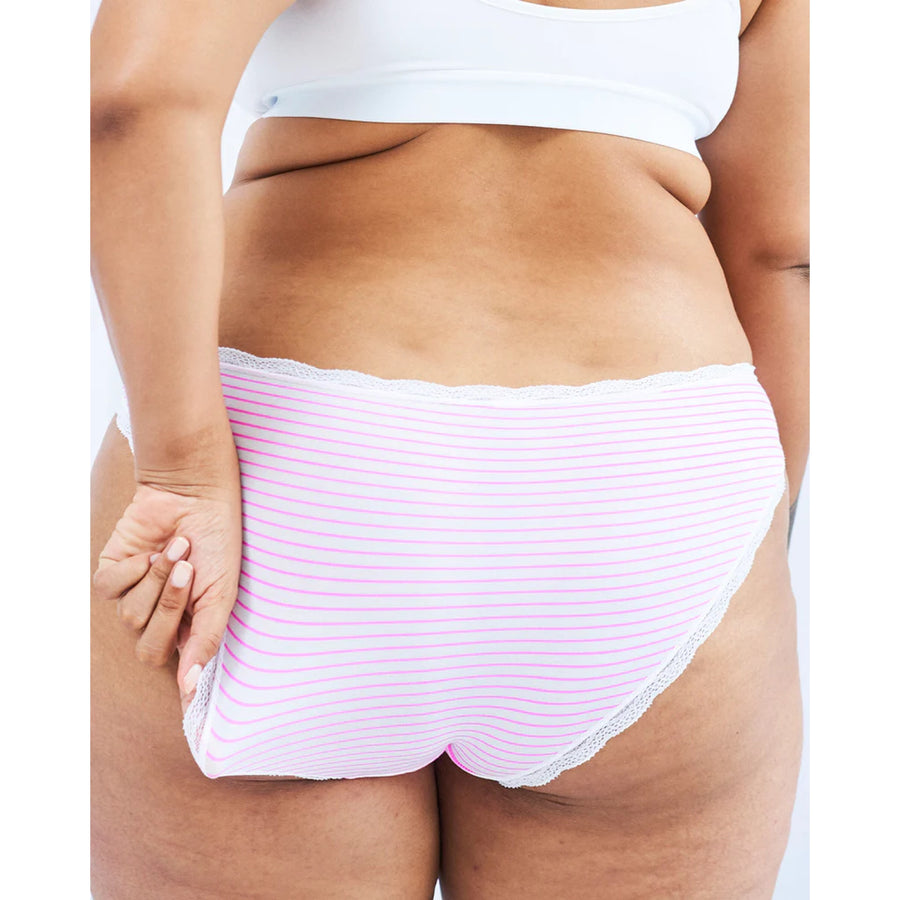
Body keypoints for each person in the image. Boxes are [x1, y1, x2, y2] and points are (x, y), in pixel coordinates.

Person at [90, 0, 808, 896]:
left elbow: (140, 100)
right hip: (647, 488)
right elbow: (780, 252)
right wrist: (741, 540)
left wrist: (182, 467)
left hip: (288, 480)